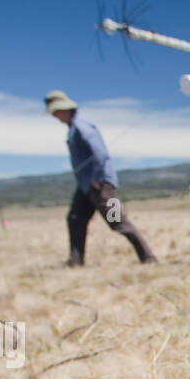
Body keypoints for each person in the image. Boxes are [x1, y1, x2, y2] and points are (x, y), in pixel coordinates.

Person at [44, 90, 157, 266]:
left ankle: (148, 258)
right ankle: (76, 260)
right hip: (85, 188)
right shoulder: (73, 128)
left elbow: (100, 153)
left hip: (101, 186)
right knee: (75, 219)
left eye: (56, 113)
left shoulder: (82, 126)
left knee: (117, 221)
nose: (56, 117)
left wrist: (97, 179)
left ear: (65, 109)